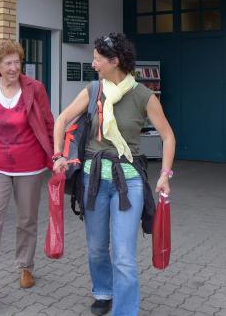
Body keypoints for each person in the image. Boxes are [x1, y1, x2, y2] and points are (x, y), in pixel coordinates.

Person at [53, 33, 176, 316]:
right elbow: (62, 119)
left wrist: (165, 174)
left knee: (123, 255)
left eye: (97, 59)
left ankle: (125, 311)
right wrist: (58, 155)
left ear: (115, 61)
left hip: (128, 181)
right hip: (93, 180)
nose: (93, 64)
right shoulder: (94, 90)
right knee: (97, 247)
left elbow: (168, 136)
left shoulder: (143, 96)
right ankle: (102, 290)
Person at [0, 39, 55, 308]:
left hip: (30, 164)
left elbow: (48, 122)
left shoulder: (35, 88)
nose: (14, 67)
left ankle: (25, 266)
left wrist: (56, 156)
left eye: (17, 62)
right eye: (8, 63)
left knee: (27, 219)